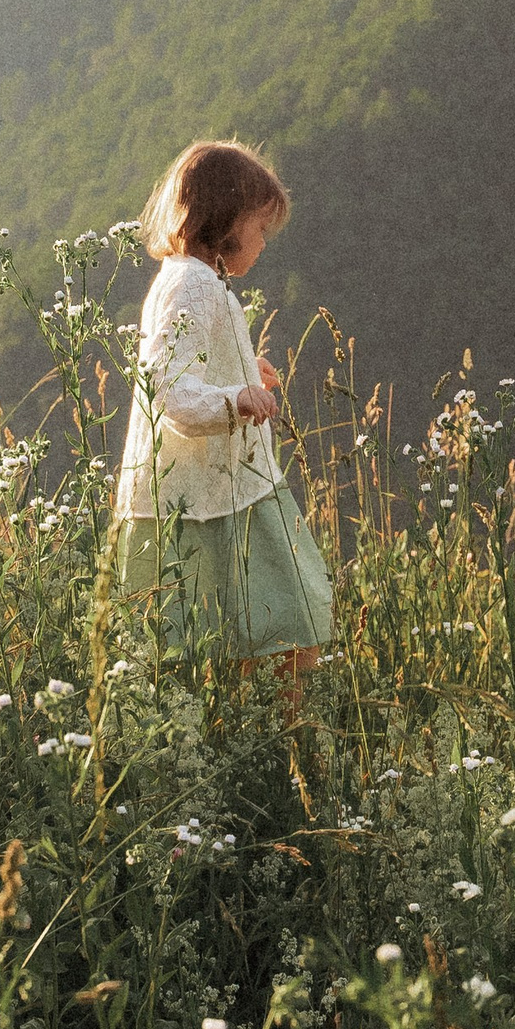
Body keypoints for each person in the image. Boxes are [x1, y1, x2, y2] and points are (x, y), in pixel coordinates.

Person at [112, 139, 334, 689]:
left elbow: (188, 362)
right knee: (291, 626)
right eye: (259, 227)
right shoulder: (193, 285)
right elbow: (167, 387)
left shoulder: (189, 279)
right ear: (228, 221)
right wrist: (233, 400)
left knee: (237, 638)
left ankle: (250, 726)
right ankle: (283, 733)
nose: (262, 242)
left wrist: (240, 369)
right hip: (213, 497)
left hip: (215, 492)